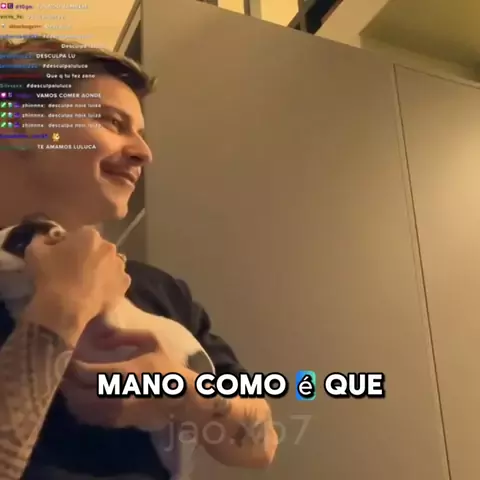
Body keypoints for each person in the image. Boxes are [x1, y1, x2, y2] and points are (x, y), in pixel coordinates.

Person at [0, 37, 277, 479]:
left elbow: (261, 444)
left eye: (141, 135)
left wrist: (182, 394)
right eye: (113, 122)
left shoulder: (161, 291)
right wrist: (64, 304)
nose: (144, 153)